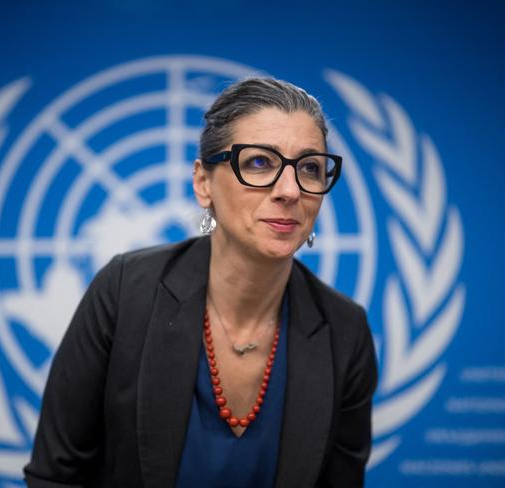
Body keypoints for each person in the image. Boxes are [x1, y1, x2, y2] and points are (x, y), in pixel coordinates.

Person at [24, 77, 378, 487]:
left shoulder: (345, 330)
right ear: (203, 183)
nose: (289, 190)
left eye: (310, 168)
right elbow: (56, 476)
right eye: (259, 162)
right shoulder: (124, 292)